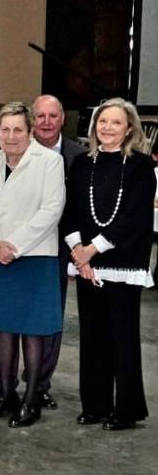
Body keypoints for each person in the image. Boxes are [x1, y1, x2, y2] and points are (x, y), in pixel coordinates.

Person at [0, 94, 88, 409]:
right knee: (4, 320)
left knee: (42, 322)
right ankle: (2, 386)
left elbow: (62, 208)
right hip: (3, 251)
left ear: (62, 119)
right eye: (39, 115)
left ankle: (39, 386)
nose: (46, 121)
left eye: (52, 116)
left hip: (49, 250)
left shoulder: (75, 156)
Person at [0, 101, 65, 427]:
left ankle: (31, 399)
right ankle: (6, 395)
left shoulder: (49, 161)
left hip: (33, 258)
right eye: (5, 129)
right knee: (3, 329)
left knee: (33, 331)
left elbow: (51, 210)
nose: (11, 135)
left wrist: (14, 246)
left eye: (18, 129)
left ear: (30, 130)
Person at [62, 98, 153, 430]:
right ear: (94, 127)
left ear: (129, 128)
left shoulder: (141, 167)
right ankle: (95, 405)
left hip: (122, 261)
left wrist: (92, 250)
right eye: (103, 122)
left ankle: (127, 410)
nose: (108, 128)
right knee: (92, 336)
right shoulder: (83, 164)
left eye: (116, 123)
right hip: (86, 262)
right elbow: (70, 210)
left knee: (122, 337)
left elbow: (133, 218)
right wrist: (78, 252)